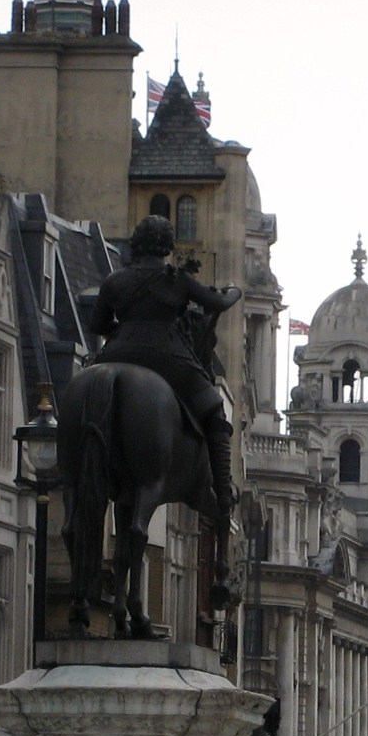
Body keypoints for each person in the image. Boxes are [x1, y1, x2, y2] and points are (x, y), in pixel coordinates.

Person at [87, 214, 244, 514]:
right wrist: (234, 290)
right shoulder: (177, 279)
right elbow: (218, 304)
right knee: (214, 410)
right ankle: (222, 491)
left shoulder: (114, 280)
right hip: (167, 357)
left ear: (136, 243)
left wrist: (124, 335)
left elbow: (97, 325)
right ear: (167, 245)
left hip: (116, 353)